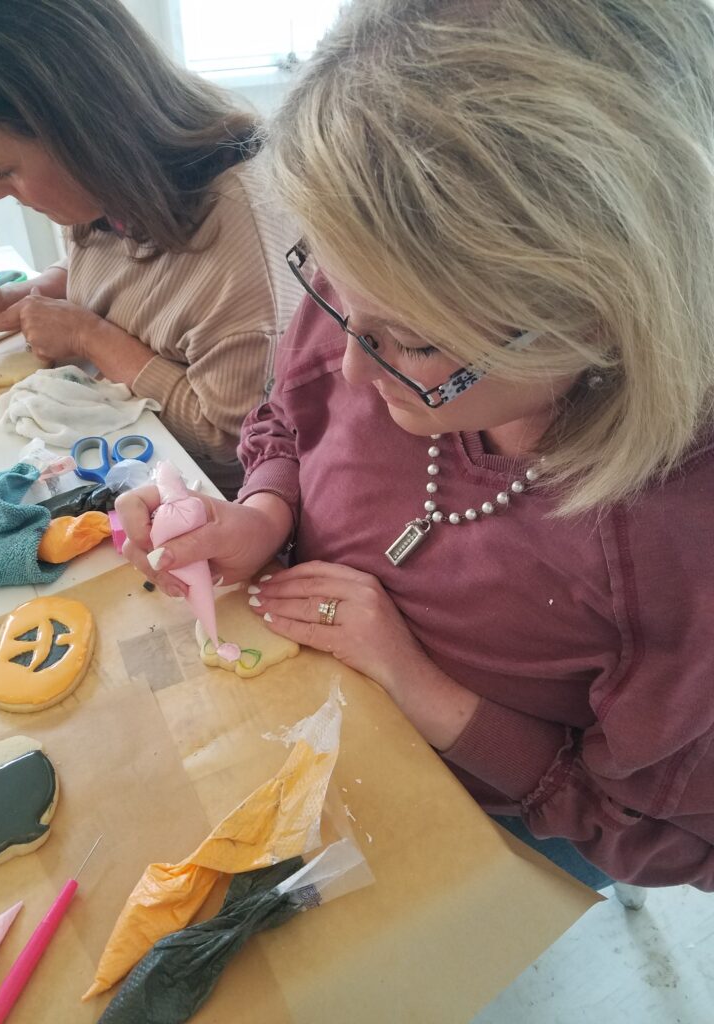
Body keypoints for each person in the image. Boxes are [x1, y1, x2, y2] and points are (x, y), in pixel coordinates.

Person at [116, 0, 714, 890]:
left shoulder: (677, 541)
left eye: (414, 343)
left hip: (478, 823)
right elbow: (295, 402)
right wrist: (260, 509)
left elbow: (672, 837)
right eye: (331, 288)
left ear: (596, 317)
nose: (354, 369)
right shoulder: (381, 304)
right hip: (302, 714)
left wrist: (417, 684)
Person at [0, 0, 302, 498]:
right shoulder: (112, 190)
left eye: (4, 170)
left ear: (84, 134)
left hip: (218, 504)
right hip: (134, 458)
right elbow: (119, 275)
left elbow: (230, 439)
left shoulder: (241, 243)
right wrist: (20, 297)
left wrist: (91, 338)